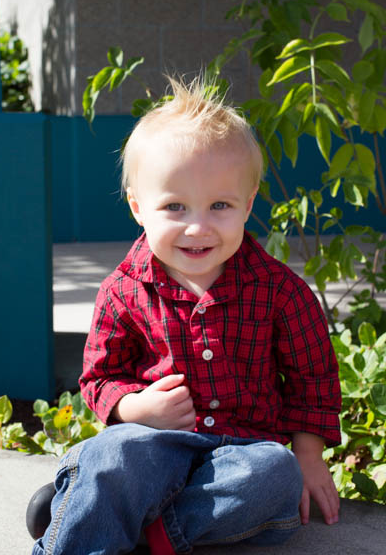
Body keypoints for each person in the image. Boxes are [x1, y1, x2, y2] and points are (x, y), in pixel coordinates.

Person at [31, 77, 341, 555]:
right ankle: (92, 516)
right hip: (156, 445)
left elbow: (312, 377)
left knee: (277, 475)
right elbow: (99, 376)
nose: (198, 227)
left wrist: (308, 455)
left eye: (220, 205)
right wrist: (134, 409)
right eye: (175, 206)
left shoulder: (280, 291)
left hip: (244, 453)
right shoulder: (123, 290)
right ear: (138, 207)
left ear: (248, 204)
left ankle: (125, 519)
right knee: (112, 452)